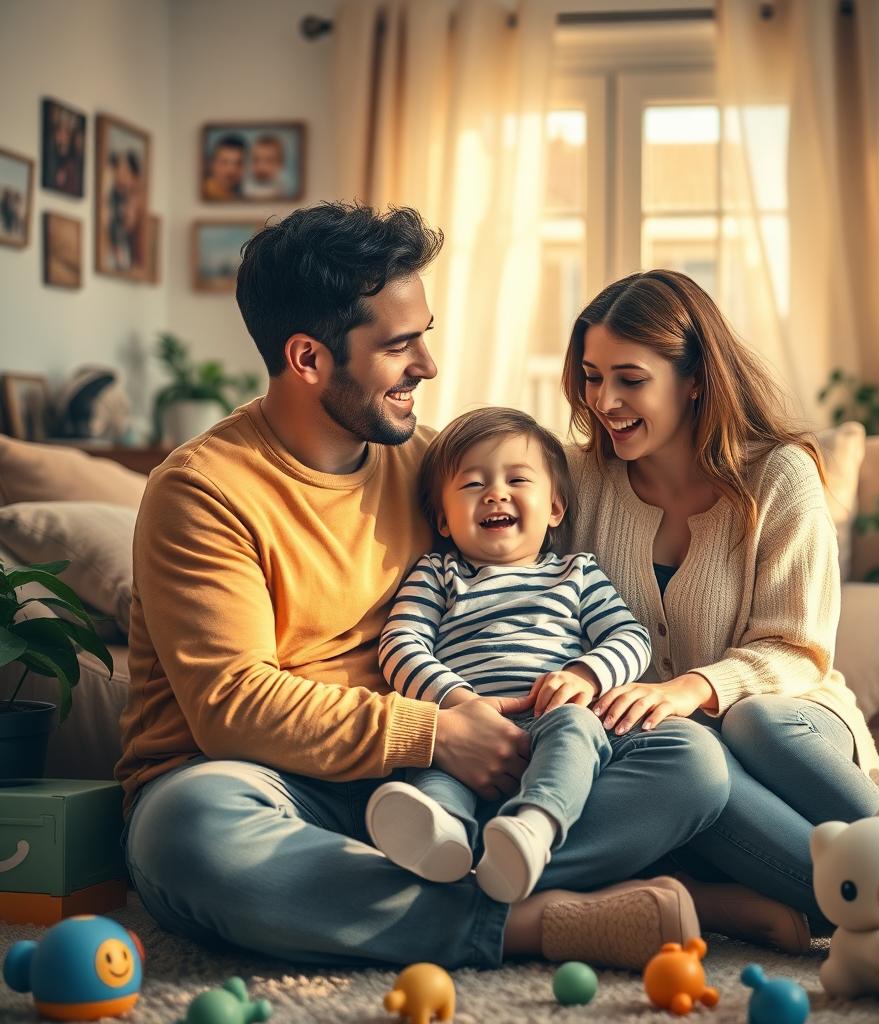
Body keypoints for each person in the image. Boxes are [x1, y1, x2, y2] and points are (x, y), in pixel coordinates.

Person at [117, 203, 729, 972]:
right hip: (273, 785)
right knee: (189, 830)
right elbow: (233, 708)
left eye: (425, 335)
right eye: (400, 345)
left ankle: (412, 891)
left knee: (687, 762)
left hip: (449, 787)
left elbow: (543, 568)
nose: (428, 367)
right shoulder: (202, 491)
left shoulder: (433, 467)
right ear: (308, 358)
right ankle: (536, 922)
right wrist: (436, 733)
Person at [562, 268, 879, 949]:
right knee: (700, 771)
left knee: (750, 722)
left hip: (790, 723)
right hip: (678, 759)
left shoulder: (778, 474)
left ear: (694, 379)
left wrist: (695, 687)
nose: (605, 400)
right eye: (592, 376)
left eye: (630, 379)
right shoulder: (577, 481)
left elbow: (797, 649)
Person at [369, 408, 656, 903]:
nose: (495, 494)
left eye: (517, 479)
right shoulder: (438, 572)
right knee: (433, 770)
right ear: (442, 518)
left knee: (578, 728)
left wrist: (586, 675)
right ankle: (443, 838)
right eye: (472, 485)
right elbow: (400, 646)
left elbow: (631, 638)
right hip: (464, 729)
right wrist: (457, 704)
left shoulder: (577, 572)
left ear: (555, 509)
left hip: (550, 718)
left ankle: (534, 828)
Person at [203, 134, 246, 200]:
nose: (231, 170)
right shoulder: (204, 193)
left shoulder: (240, 196)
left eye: (239, 163)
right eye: (224, 162)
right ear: (211, 164)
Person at [244, 134, 287, 199]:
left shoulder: (283, 190)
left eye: (269, 161)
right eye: (256, 160)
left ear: (279, 164)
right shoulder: (244, 186)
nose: (261, 167)